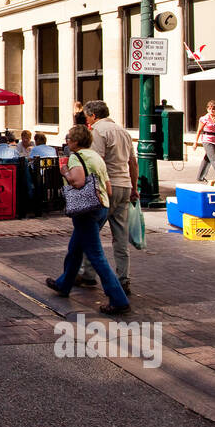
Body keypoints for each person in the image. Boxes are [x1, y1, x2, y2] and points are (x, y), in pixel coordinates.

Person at [44, 124, 131, 315]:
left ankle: (118, 298)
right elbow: (108, 187)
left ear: (75, 141)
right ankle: (64, 283)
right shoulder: (96, 157)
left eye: (69, 138)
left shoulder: (77, 158)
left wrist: (65, 171)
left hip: (85, 211)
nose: (67, 141)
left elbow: (78, 181)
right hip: (101, 206)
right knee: (75, 249)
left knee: (96, 255)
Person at [77, 100, 139, 292]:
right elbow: (133, 163)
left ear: (93, 116)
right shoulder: (123, 132)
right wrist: (134, 188)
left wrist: (92, 187)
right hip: (125, 185)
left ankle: (88, 274)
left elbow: (96, 162)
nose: (87, 120)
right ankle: (124, 277)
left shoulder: (98, 131)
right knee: (120, 236)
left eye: (87, 116)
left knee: (90, 231)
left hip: (107, 186)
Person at [194, 99, 215, 184]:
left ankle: (200, 176)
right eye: (210, 108)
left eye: (214, 109)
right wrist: (195, 142)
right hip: (207, 140)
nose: (212, 110)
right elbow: (199, 130)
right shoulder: (204, 118)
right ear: (207, 109)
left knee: (207, 158)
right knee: (214, 159)